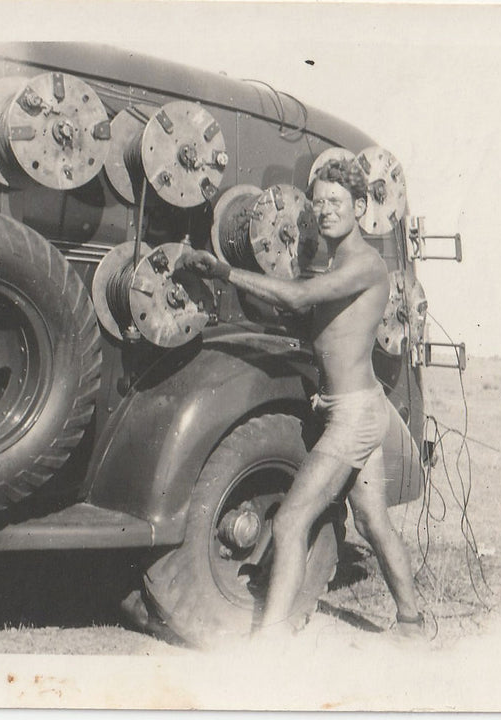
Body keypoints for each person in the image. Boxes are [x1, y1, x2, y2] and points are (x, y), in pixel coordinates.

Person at [176, 158, 427, 640]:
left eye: (336, 202)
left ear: (359, 207)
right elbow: (314, 324)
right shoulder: (336, 263)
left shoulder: (365, 264)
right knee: (373, 522)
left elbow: (298, 299)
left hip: (353, 416)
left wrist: (225, 271)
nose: (326, 211)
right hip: (357, 408)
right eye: (319, 202)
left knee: (291, 522)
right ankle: (412, 624)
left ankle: (269, 643)